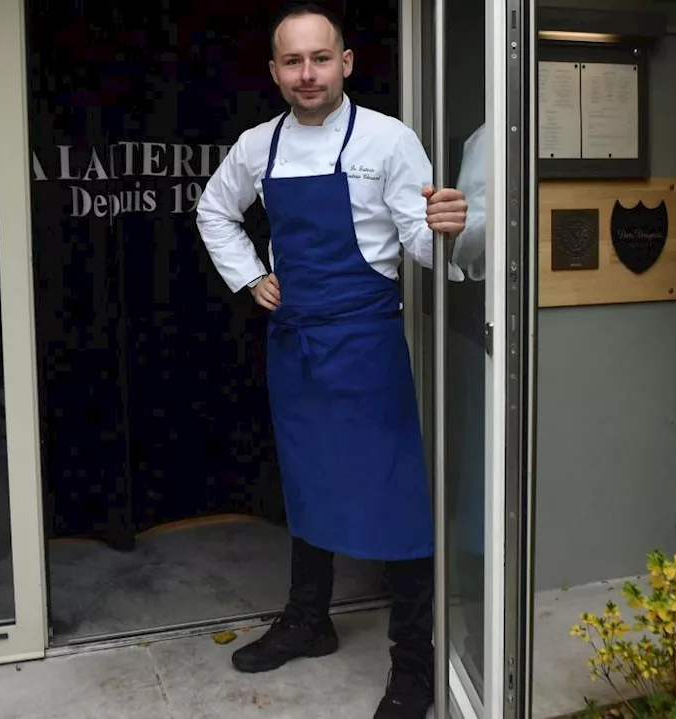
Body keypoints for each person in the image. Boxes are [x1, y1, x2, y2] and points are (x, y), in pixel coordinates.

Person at [194, 3, 468, 717]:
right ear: (276, 72)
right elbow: (213, 210)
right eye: (293, 61)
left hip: (369, 343)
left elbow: (417, 242)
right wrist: (252, 276)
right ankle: (308, 620)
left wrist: (446, 232)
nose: (308, 73)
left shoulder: (389, 139)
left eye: (321, 58)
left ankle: (413, 663)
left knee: (398, 501)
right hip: (297, 346)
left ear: (346, 62)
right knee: (308, 487)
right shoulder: (259, 146)